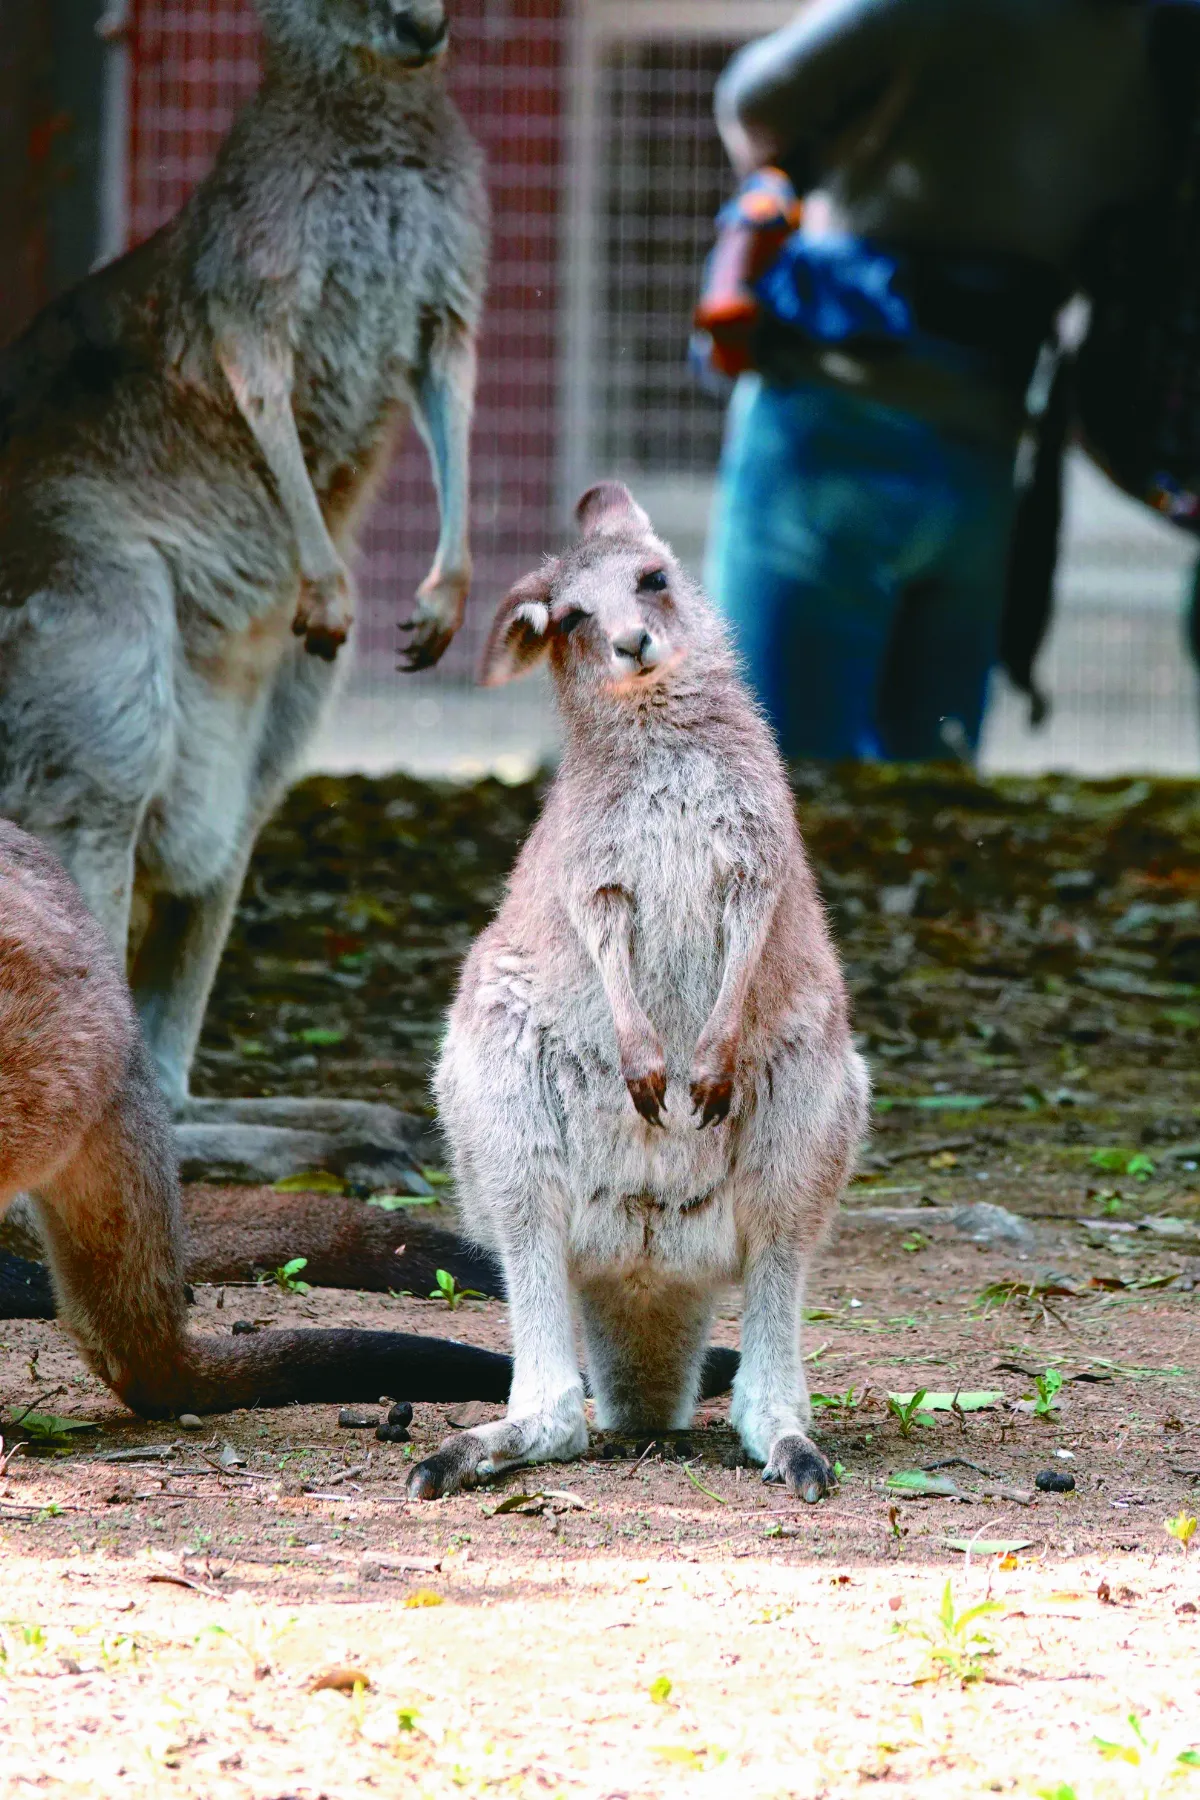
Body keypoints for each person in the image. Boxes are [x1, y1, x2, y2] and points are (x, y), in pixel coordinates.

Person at [704, 0, 1159, 762]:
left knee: (775, 787)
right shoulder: (1161, 33)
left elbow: (753, 98)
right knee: (931, 796)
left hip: (832, 417)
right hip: (987, 439)